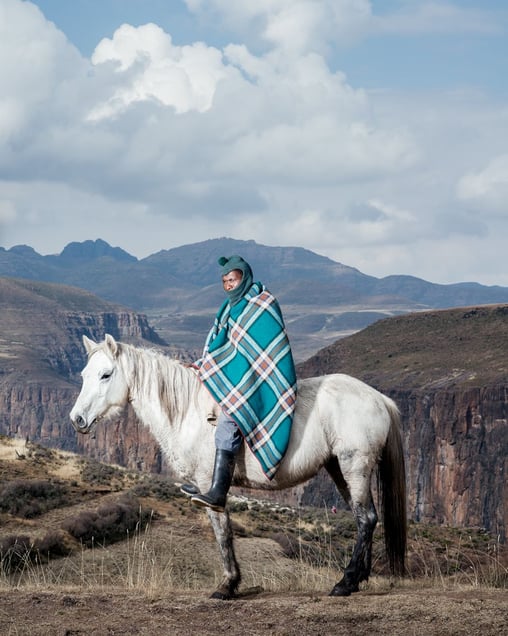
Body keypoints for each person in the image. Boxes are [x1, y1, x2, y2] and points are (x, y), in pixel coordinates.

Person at [181, 255, 297, 512]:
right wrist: (203, 364)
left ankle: (218, 492)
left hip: (260, 381)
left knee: (228, 420)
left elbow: (267, 349)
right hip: (240, 377)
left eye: (232, 280)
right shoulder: (228, 308)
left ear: (244, 277)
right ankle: (206, 480)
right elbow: (221, 345)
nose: (228, 286)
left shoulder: (262, 304)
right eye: (224, 281)